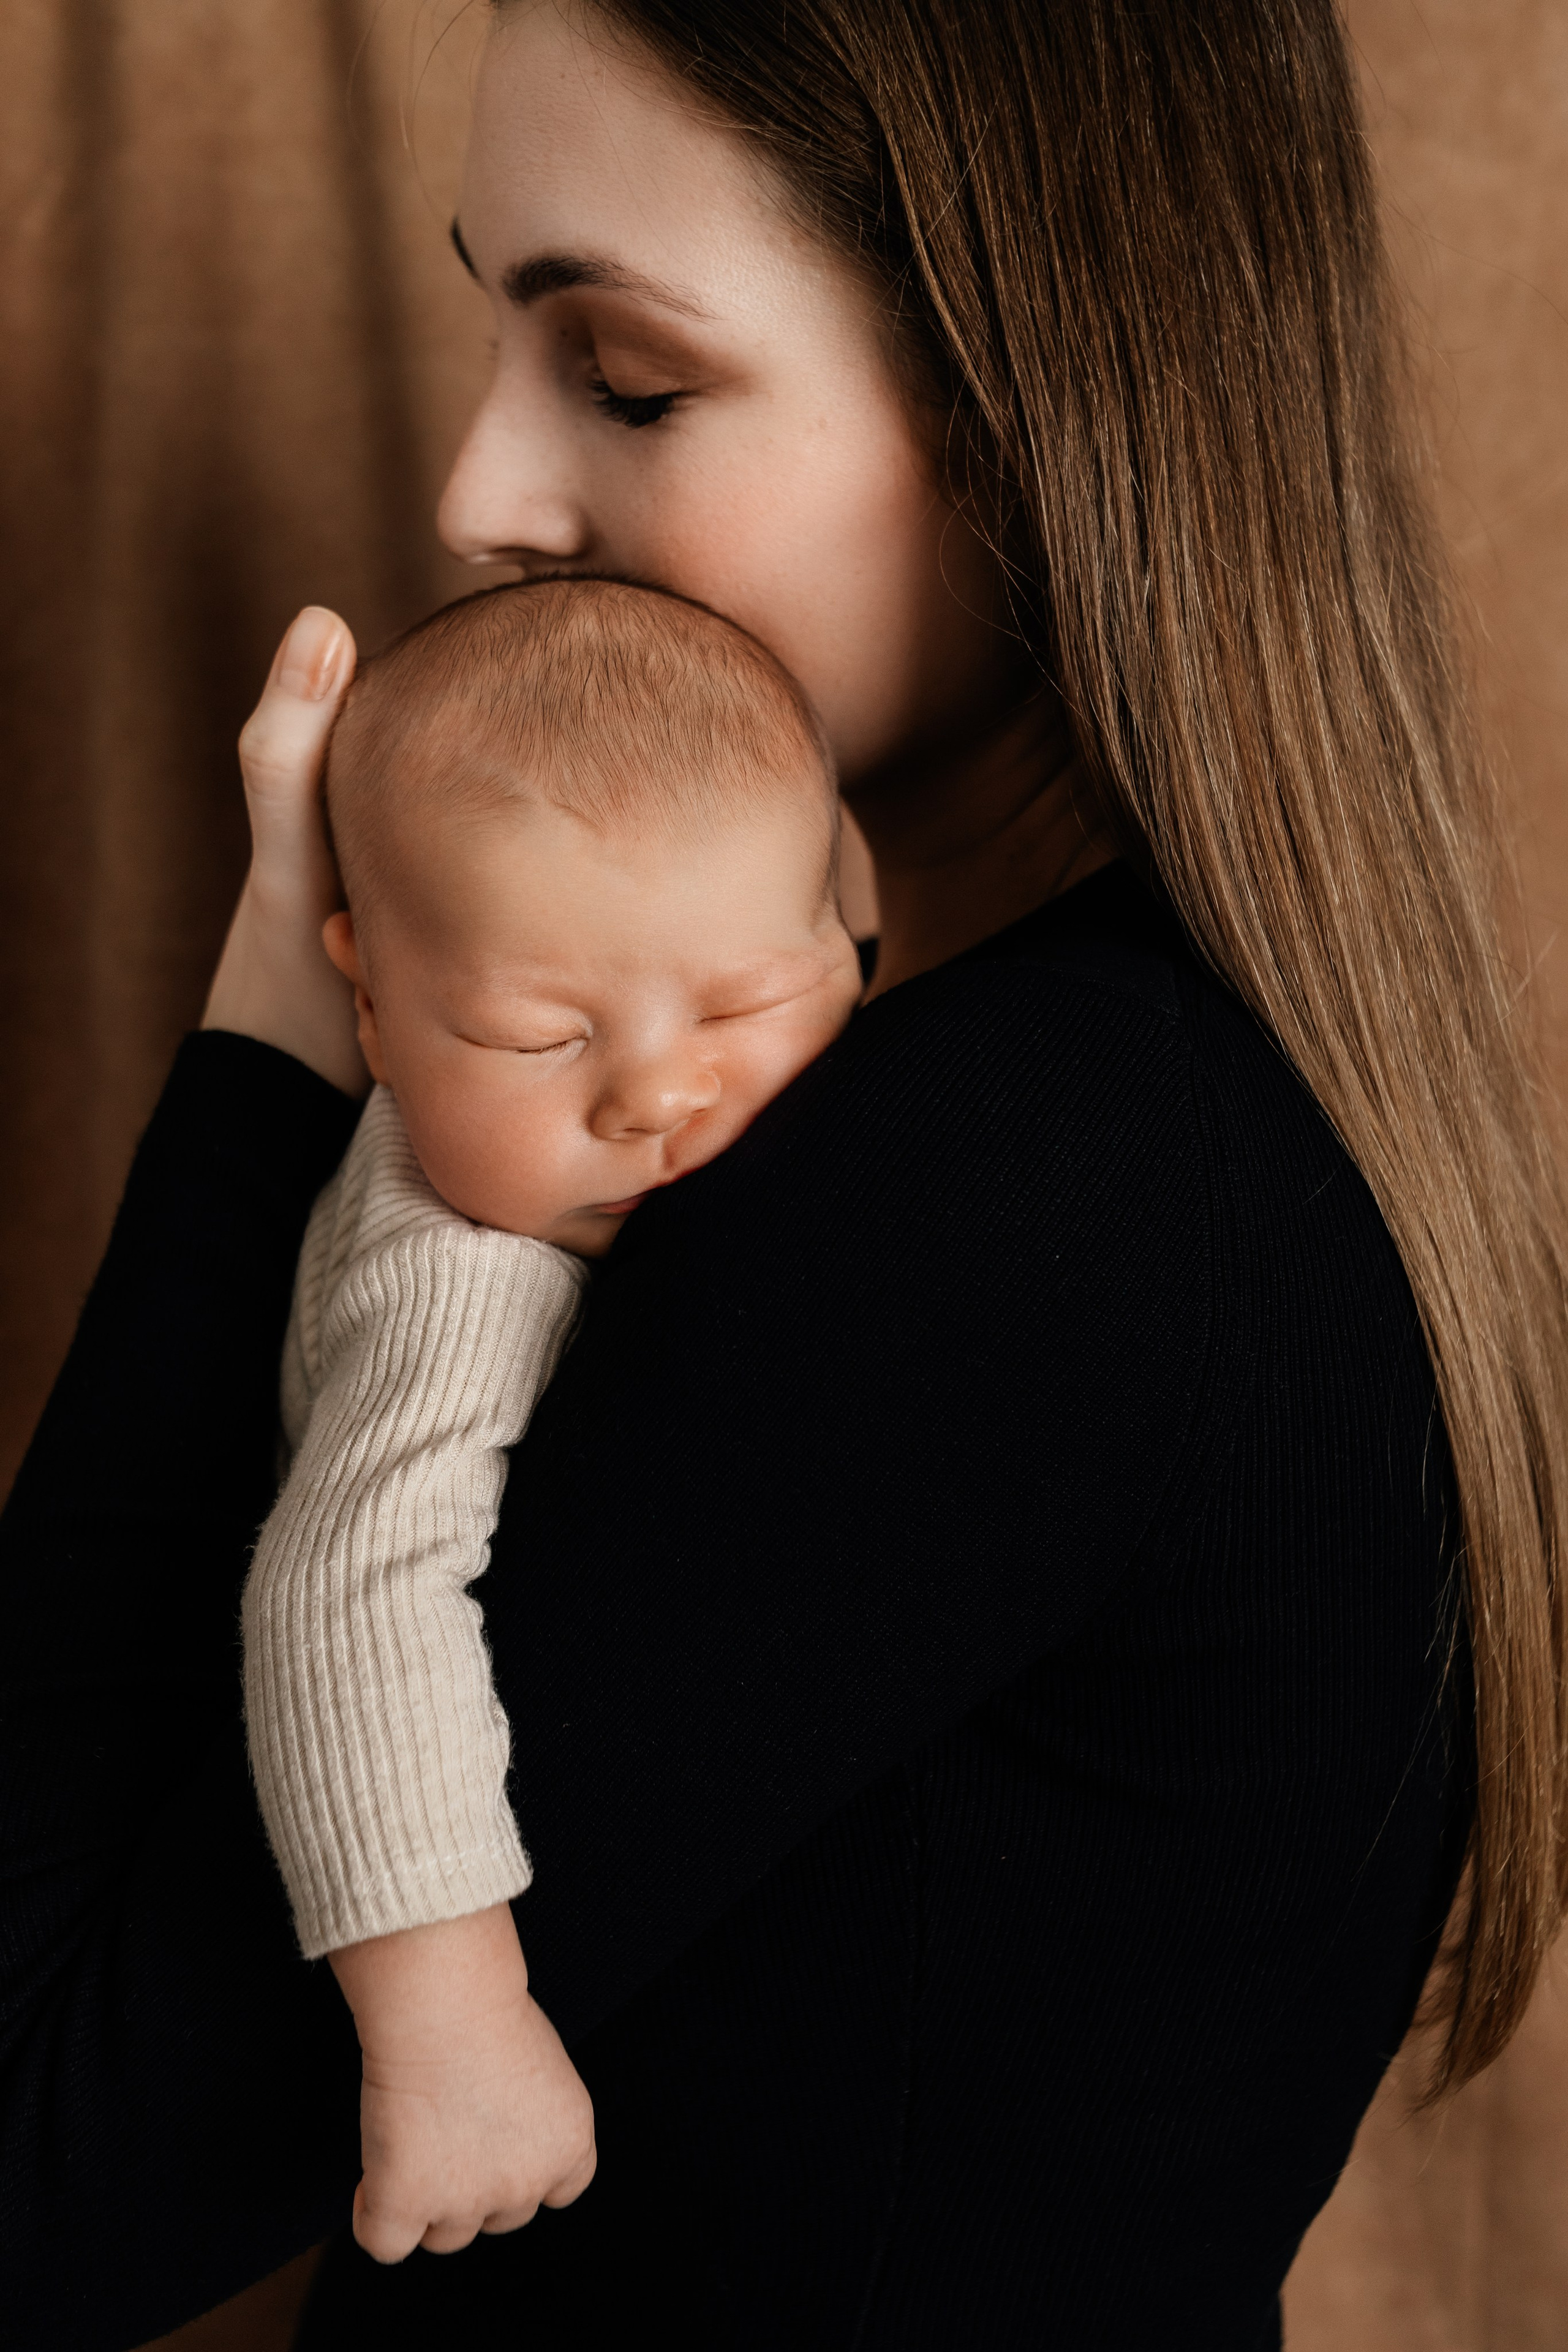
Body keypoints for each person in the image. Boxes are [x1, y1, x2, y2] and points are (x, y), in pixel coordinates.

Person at [2, 3, 1566, 2347]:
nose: (479, 494)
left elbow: (33, 2156)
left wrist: (274, 1045)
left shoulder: (1003, 1200)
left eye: (625, 377)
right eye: (491, 333)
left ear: (1038, 405)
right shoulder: (1183, 1122)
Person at [243, 575, 861, 2265]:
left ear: (846, 929)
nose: (658, 1092)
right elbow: (345, 1604)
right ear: (370, 1008)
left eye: (744, 1007)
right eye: (541, 1034)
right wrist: (448, 2028)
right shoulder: (464, 1276)